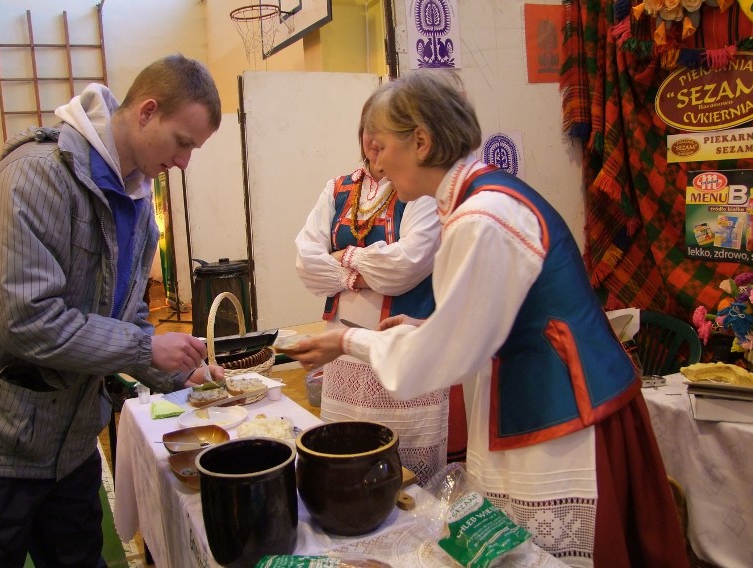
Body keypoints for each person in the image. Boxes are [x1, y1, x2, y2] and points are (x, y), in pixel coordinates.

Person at [285, 71, 689, 567]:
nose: (377, 162)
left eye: (382, 146)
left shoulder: (482, 218)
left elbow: (437, 362)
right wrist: (425, 328)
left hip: (561, 416)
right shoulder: (481, 200)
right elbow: (490, 319)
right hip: (545, 401)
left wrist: (348, 341)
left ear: (422, 141)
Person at [0, 54, 225, 567]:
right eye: (183, 142)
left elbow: (124, 320)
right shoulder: (34, 177)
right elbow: (26, 320)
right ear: (147, 110)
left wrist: (184, 373)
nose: (184, 162)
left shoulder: (140, 207)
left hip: (68, 445)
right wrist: (146, 346)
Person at [295, 92, 455, 485]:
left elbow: (409, 263)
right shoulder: (338, 188)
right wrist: (361, 272)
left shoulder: (417, 189)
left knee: (405, 465)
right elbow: (306, 263)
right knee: (346, 456)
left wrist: (342, 257)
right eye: (367, 129)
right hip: (344, 350)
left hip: (400, 340)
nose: (371, 141)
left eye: (380, 132)